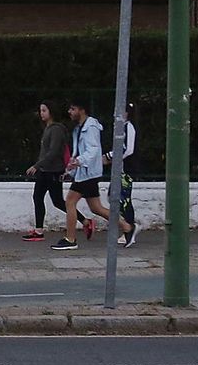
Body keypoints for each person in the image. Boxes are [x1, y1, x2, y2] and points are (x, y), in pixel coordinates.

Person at [52, 97, 132, 250]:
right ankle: (127, 227)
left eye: (73, 109)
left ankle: (70, 239)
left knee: (69, 201)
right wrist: (72, 167)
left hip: (87, 172)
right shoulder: (80, 128)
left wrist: (80, 161)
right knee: (96, 208)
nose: (70, 112)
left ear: (82, 110)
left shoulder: (91, 127)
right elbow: (79, 151)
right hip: (85, 172)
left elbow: (93, 149)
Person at [22, 101, 83, 241]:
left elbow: (54, 152)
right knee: (38, 197)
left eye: (44, 110)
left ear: (51, 112)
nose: (41, 113)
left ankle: (84, 221)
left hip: (53, 170)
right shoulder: (48, 128)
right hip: (45, 170)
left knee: (57, 201)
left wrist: (37, 165)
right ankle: (38, 231)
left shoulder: (56, 129)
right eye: (40, 110)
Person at [105, 102, 140, 247]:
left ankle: (129, 229)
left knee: (123, 200)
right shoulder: (121, 127)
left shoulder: (128, 127)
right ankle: (128, 227)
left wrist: (109, 156)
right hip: (119, 169)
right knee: (114, 197)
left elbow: (127, 149)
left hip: (125, 170)